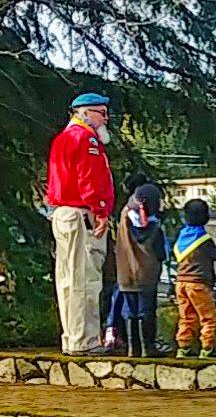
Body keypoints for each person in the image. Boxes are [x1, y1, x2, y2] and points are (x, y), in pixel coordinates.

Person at [47, 92, 115, 356]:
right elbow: (90, 179)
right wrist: (100, 211)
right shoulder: (87, 140)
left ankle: (72, 337)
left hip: (63, 213)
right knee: (85, 279)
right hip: (80, 214)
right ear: (84, 112)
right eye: (101, 112)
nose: (105, 118)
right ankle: (84, 341)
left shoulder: (62, 139)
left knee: (68, 279)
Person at [115, 183, 167, 358]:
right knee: (147, 311)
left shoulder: (124, 220)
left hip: (125, 274)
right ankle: (148, 348)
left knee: (130, 311)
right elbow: (161, 254)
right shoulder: (155, 229)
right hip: (147, 276)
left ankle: (132, 348)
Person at [173, 199, 216, 359]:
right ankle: (207, 348)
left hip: (181, 283)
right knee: (207, 317)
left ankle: (183, 347)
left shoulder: (181, 238)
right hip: (199, 284)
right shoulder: (204, 240)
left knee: (186, 316)